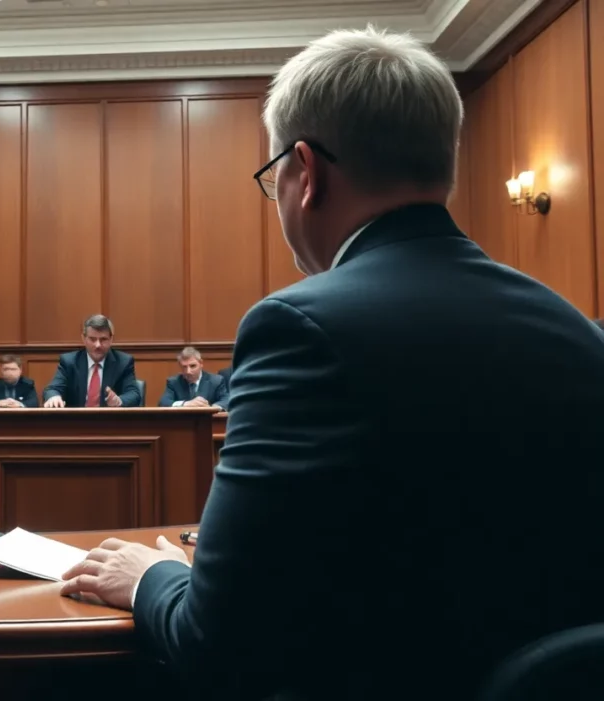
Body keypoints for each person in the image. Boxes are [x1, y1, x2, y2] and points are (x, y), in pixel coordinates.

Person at [59, 27, 604, 701]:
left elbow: (219, 643)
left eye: (274, 178)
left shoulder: (300, 328)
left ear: (306, 172)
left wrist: (150, 575)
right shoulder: (573, 328)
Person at [42, 315, 139, 408]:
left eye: (103, 339)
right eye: (92, 339)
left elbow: (134, 394)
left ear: (111, 339)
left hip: (110, 422)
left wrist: (118, 401)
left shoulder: (123, 363)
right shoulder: (69, 362)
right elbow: (52, 389)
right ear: (83, 339)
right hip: (75, 422)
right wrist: (53, 396)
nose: (98, 345)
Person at [158, 347, 229, 410]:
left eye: (192, 366)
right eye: (184, 367)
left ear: (201, 363)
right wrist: (185, 404)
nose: (188, 371)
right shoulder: (174, 382)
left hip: (208, 421)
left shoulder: (216, 381)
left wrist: (212, 408)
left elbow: (226, 400)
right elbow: (163, 402)